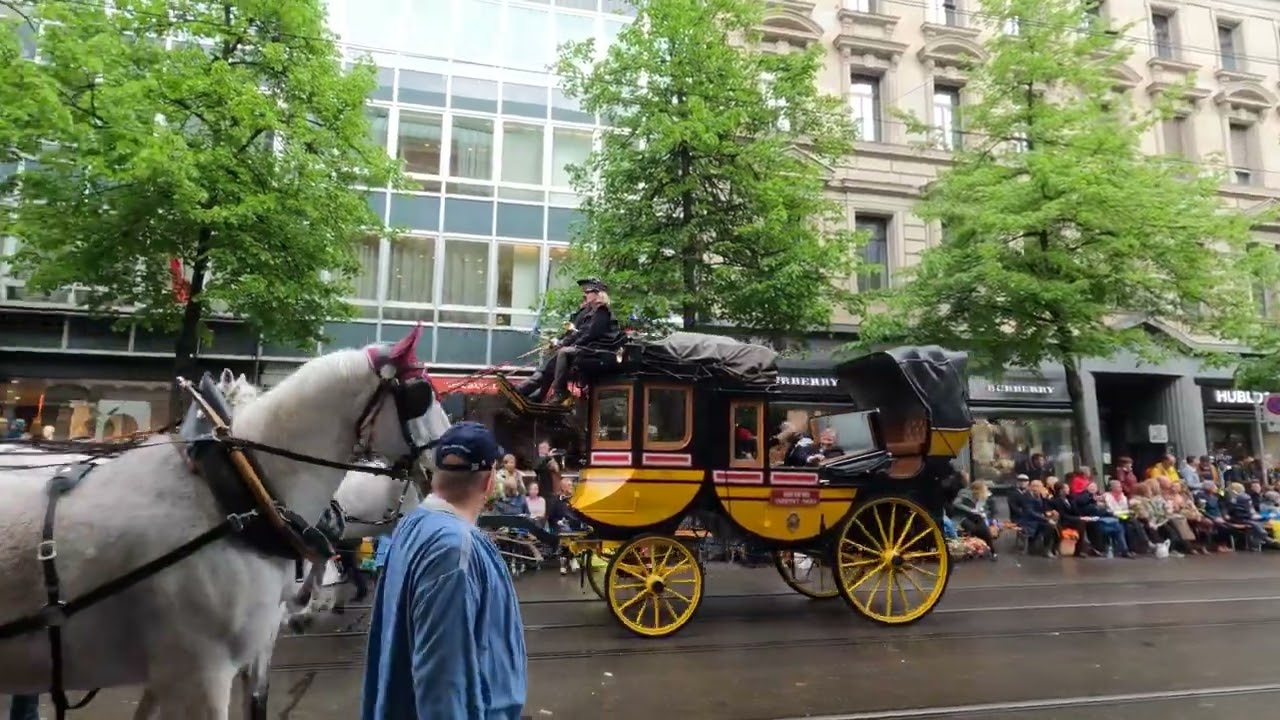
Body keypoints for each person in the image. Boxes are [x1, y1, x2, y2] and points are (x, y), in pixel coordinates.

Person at [361, 422, 526, 720]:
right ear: (489, 481)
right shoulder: (453, 551)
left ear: (435, 474)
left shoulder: (414, 524)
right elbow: (442, 681)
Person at [517, 277, 622, 404]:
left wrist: (568, 344)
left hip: (598, 350)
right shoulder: (591, 312)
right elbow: (578, 333)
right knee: (555, 359)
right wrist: (562, 341)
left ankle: (558, 391)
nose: (585, 294)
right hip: (587, 348)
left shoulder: (602, 312)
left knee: (564, 352)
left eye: (588, 292)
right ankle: (535, 393)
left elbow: (590, 334)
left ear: (598, 294)